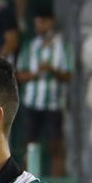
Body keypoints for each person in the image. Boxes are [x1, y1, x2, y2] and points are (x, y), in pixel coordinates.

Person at [13, 9, 72, 173]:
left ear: (50, 22)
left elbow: (68, 75)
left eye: (41, 22)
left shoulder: (63, 47)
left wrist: (52, 70)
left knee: (55, 145)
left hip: (54, 104)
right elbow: (19, 74)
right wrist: (36, 73)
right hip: (32, 103)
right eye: (36, 23)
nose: (38, 26)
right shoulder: (30, 47)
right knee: (30, 144)